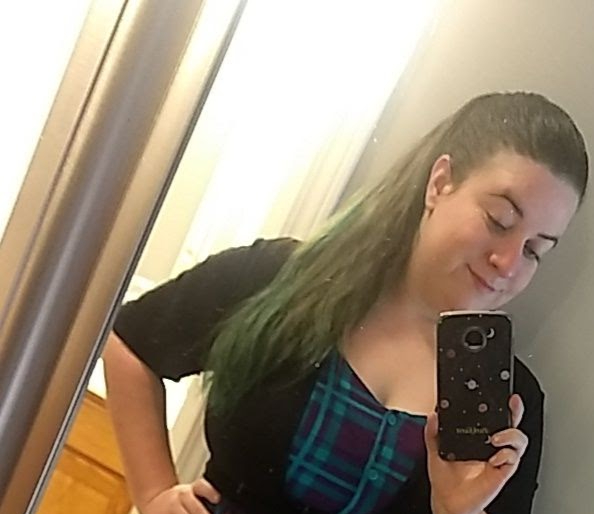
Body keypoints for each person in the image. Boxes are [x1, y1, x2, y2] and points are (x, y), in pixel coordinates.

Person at [103, 91, 589, 514]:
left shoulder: (510, 403)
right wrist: (153, 492)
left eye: (534, 250)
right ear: (440, 183)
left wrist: (455, 511)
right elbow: (130, 340)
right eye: (499, 220)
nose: (508, 262)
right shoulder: (277, 278)